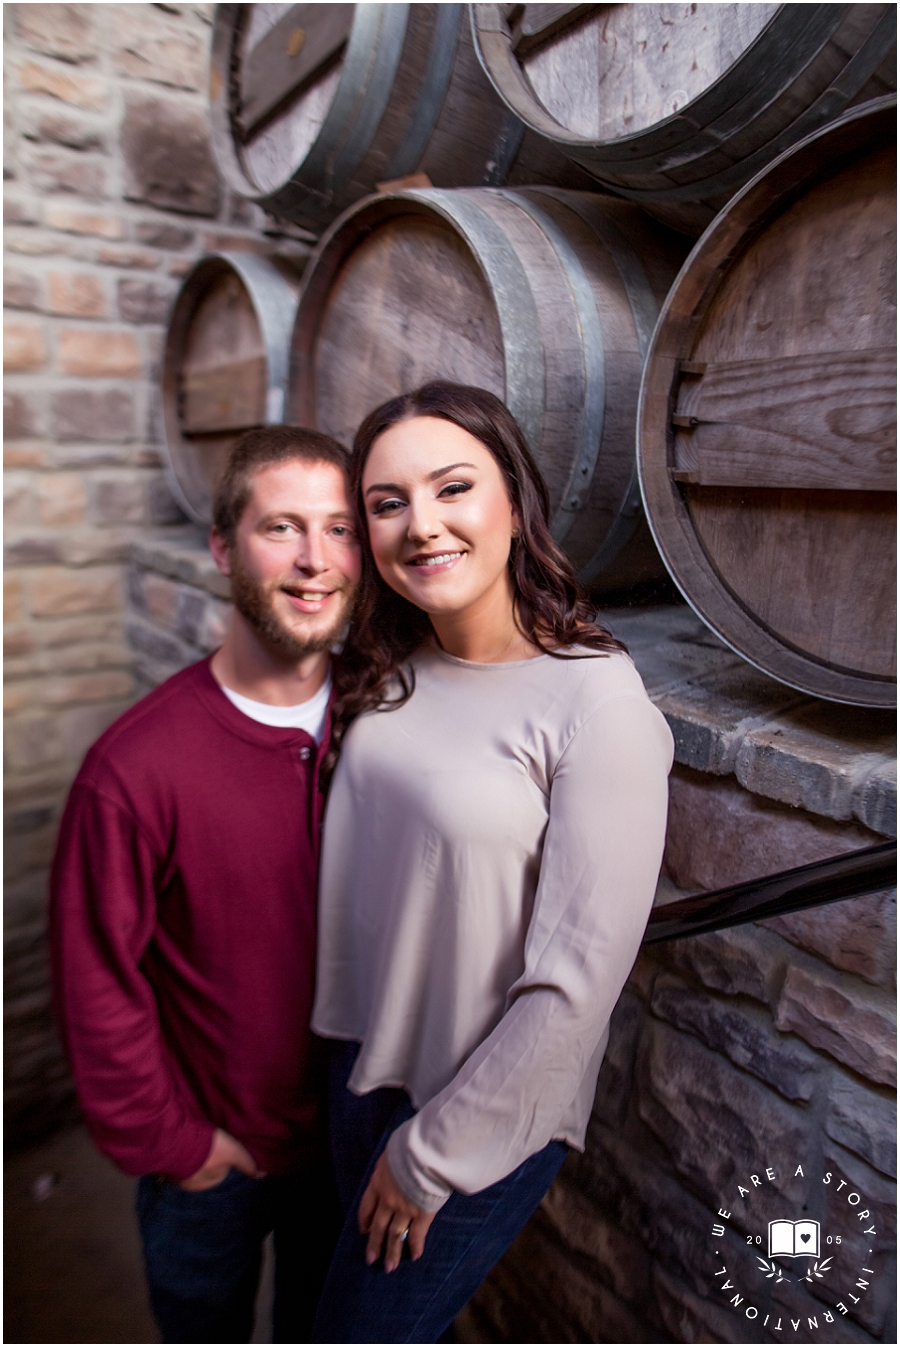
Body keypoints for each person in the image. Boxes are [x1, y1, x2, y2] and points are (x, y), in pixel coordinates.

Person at [310, 381, 675, 1343]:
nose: (420, 525)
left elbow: (578, 981)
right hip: (357, 1065)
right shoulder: (395, 666)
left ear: (515, 500)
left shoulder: (597, 705)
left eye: (453, 487)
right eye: (387, 503)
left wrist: (432, 1154)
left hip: (475, 1110)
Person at [49, 426, 360, 1344]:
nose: (315, 560)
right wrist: (177, 1148)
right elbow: (98, 980)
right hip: (214, 1162)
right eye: (282, 528)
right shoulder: (135, 768)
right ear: (222, 548)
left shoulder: (388, 723)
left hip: (349, 1147)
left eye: (341, 529)